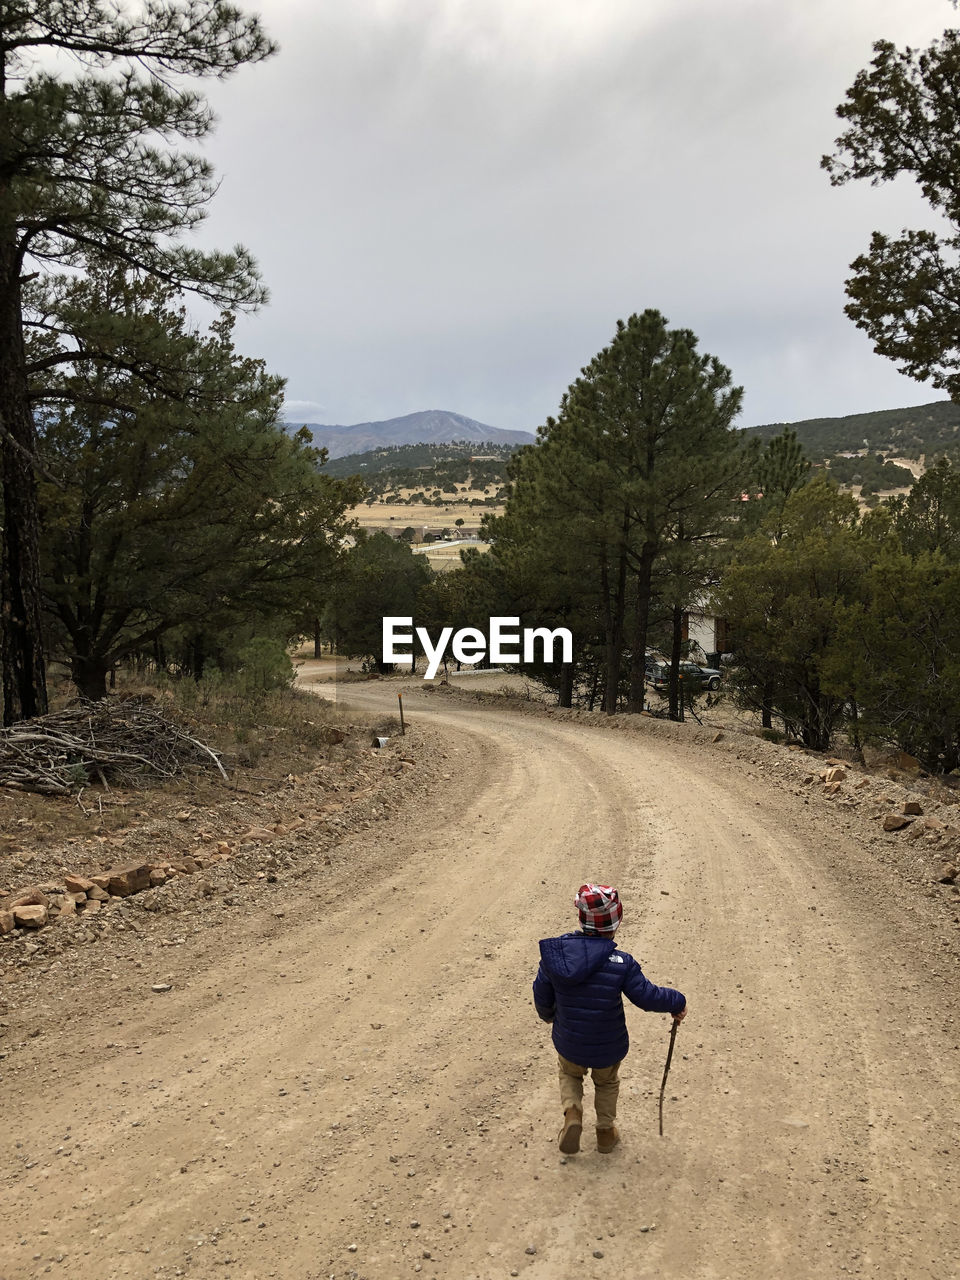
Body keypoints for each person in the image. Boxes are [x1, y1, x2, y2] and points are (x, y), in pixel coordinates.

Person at [533, 883, 687, 1154]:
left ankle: (572, 1113)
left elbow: (542, 992)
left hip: (570, 1041)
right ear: (615, 925)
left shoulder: (556, 957)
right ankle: (605, 1132)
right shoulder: (621, 962)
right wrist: (677, 1000)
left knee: (569, 1073)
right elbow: (647, 996)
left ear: (581, 920)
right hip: (608, 1045)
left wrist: (547, 1015)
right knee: (606, 1083)